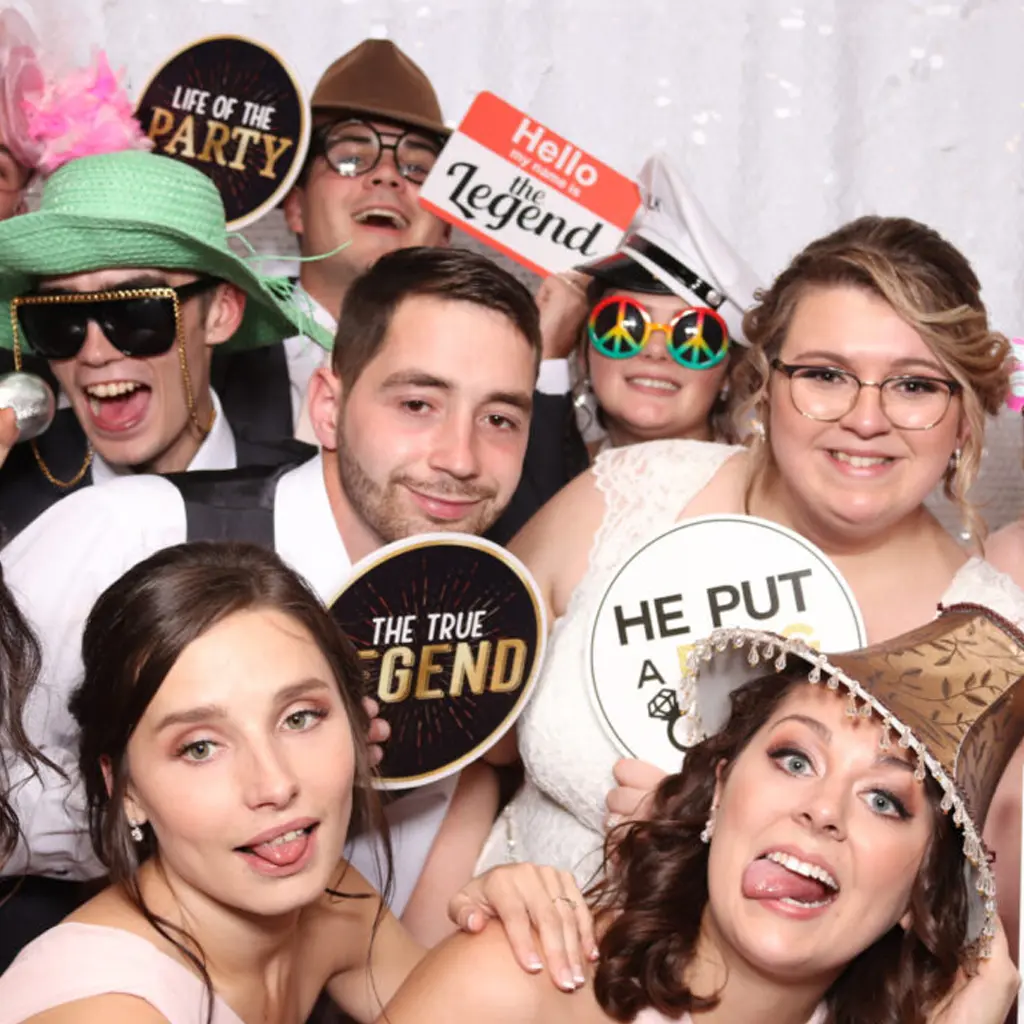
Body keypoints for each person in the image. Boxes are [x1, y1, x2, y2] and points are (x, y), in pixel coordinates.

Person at [476, 215, 1024, 936]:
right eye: (825, 375)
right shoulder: (633, 491)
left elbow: (967, 944)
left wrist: (717, 846)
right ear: (765, 385)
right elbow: (474, 749)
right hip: (487, 958)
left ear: (964, 417)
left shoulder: (991, 648)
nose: (866, 419)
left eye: (915, 385)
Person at [0, 245, 542, 962]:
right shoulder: (132, 529)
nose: (460, 458)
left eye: (500, 419)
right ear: (329, 407)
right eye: (418, 404)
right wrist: (171, 800)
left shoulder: (485, 629)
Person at [0, 541, 599, 1022]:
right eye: (201, 747)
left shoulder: (331, 902)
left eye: (300, 718)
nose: (274, 784)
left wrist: (496, 929)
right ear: (124, 788)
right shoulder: (104, 1008)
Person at [383, 607, 1024, 1024]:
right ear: (719, 791)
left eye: (883, 800)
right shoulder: (516, 983)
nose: (823, 810)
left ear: (921, 891)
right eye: (796, 759)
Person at [212, 38, 585, 541]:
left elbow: (537, 547)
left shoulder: (503, 374)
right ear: (294, 207)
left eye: (416, 169)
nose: (387, 176)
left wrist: (550, 355)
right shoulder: (213, 346)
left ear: (446, 228)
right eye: (350, 158)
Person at [0, 146, 331, 543]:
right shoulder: (10, 499)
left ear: (220, 313)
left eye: (135, 313)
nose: (94, 353)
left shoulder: (315, 499)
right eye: (59, 319)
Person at [549, 154, 762, 458]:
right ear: (583, 355)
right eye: (624, 324)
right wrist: (547, 354)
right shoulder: (553, 473)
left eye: (693, 335)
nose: (655, 351)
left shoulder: (757, 484)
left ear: (729, 374)